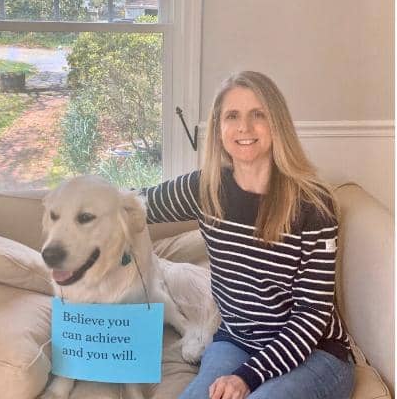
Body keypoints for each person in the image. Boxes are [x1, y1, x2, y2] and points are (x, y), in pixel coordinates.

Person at [141, 71, 354, 399]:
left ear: (277, 123)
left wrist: (247, 377)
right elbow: (132, 206)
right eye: (232, 116)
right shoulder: (205, 189)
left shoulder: (313, 204)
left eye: (258, 114)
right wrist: (74, 203)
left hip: (316, 352)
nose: (244, 127)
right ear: (218, 127)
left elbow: (311, 316)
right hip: (237, 341)